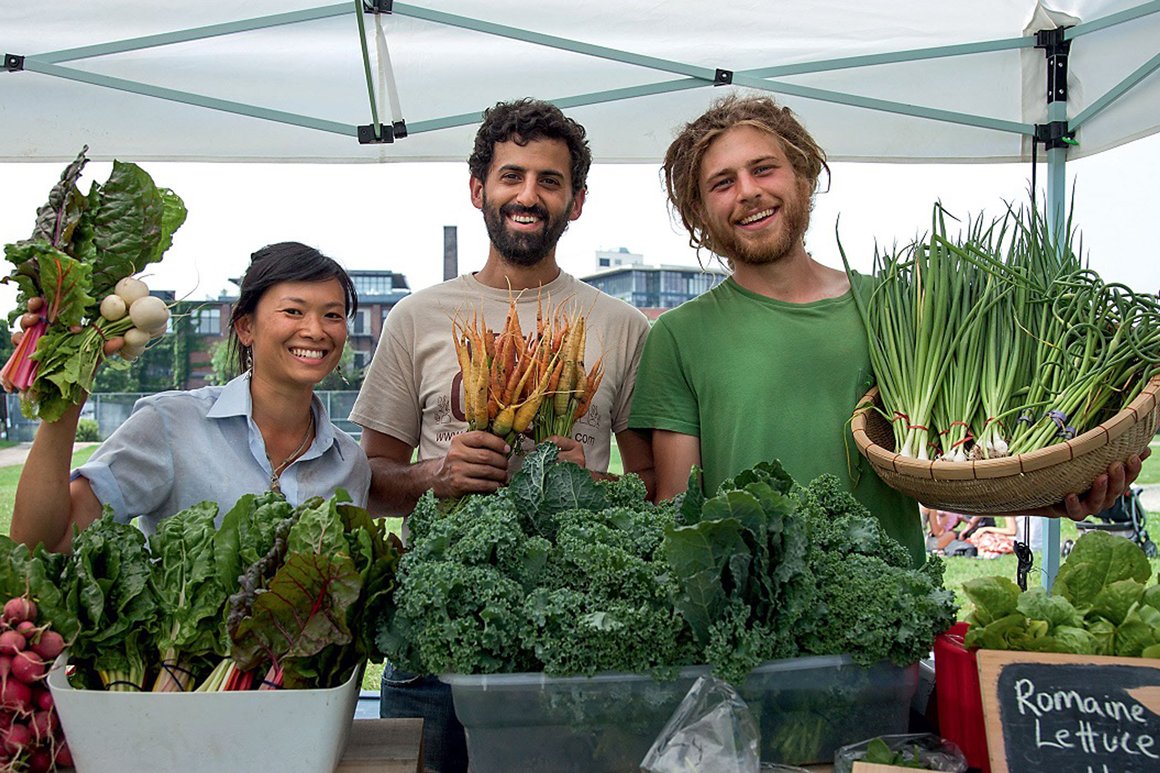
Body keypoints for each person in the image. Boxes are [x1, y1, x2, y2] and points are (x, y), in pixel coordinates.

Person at [627, 94, 1147, 567]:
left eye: (763, 169)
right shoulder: (678, 336)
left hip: (894, 601)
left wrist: (1054, 494)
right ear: (699, 212)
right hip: (755, 611)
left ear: (803, 175)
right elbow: (679, 508)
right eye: (722, 183)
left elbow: (952, 461)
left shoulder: (897, 308)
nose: (748, 191)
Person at [350, 98, 653, 773]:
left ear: (576, 201)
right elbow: (370, 482)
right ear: (477, 189)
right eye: (511, 176)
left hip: (570, 635)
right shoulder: (416, 317)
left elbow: (652, 485)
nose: (528, 195)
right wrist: (438, 475)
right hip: (436, 636)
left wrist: (589, 484)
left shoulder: (620, 325)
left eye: (550, 181)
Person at [9, 241, 370, 552]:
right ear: (245, 326)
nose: (315, 330)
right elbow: (47, 543)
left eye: (332, 315)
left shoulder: (348, 463)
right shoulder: (170, 424)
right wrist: (67, 400)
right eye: (293, 311)